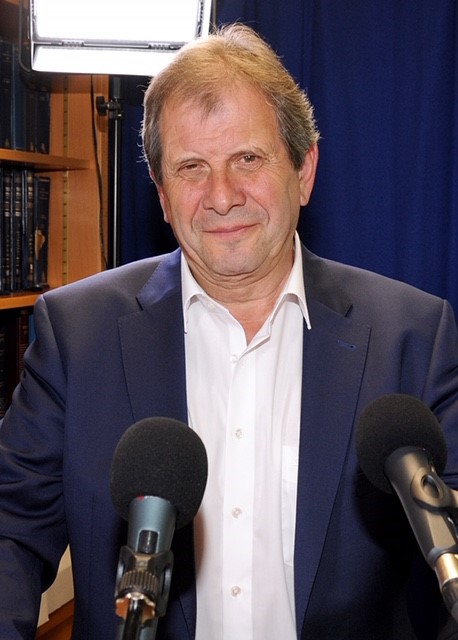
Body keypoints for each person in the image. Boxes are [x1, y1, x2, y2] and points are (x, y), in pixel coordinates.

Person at [1, 23, 458, 640]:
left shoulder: (413, 338)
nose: (221, 196)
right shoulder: (76, 336)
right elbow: (9, 531)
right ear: (163, 196)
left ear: (304, 170)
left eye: (248, 159)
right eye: (192, 167)